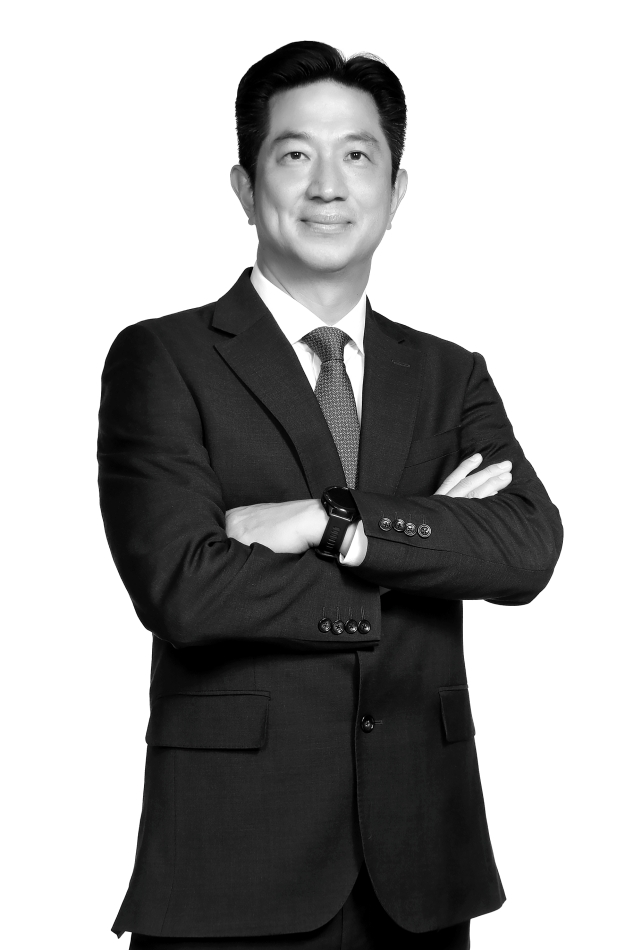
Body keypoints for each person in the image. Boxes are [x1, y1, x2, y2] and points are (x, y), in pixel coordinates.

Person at [98, 41, 563, 950]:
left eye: (357, 155)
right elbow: (186, 590)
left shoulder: (449, 374)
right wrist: (426, 544)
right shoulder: (164, 358)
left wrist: (330, 521)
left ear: (396, 190)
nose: (326, 186)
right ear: (244, 187)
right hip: (235, 854)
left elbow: (524, 550)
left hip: (421, 861)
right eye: (293, 154)